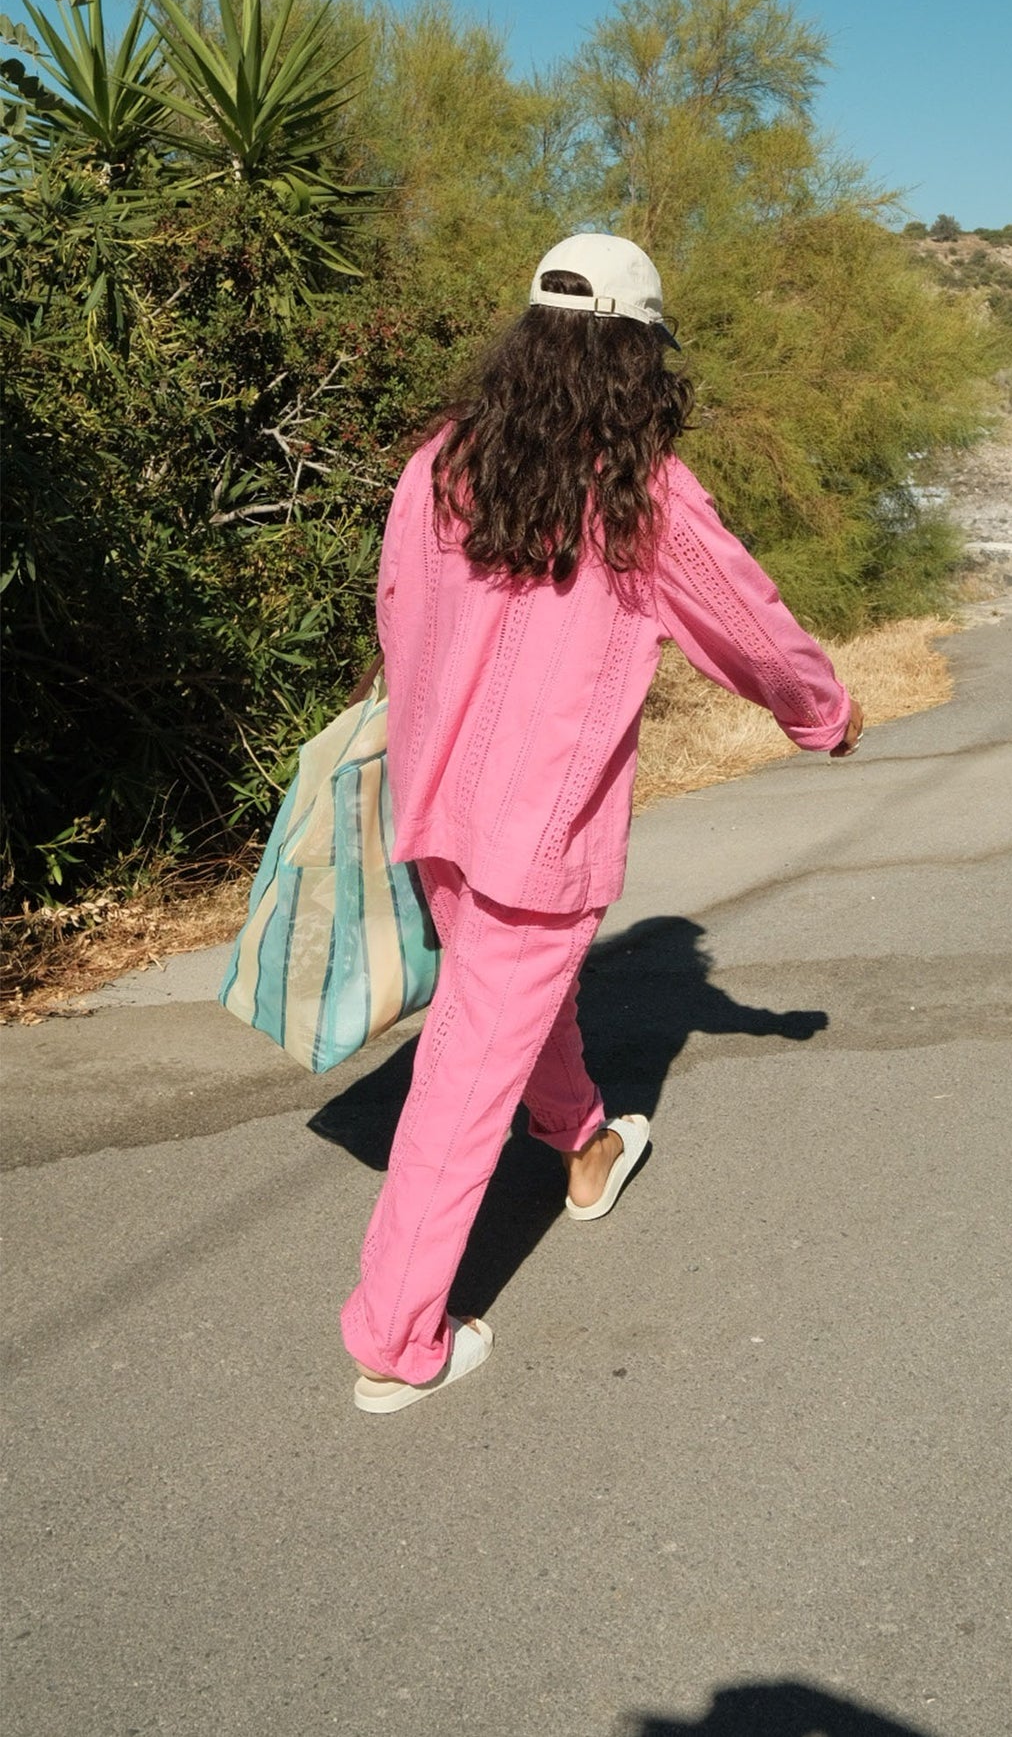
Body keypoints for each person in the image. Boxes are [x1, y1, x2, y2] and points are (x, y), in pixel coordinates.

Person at [341, 233, 863, 1413]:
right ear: (637, 357)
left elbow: (391, 610)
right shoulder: (642, 494)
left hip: (433, 804)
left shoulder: (441, 463)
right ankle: (394, 1336)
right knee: (466, 1067)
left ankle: (583, 1148)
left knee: (508, 995)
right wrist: (822, 713)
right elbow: (750, 622)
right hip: (537, 828)